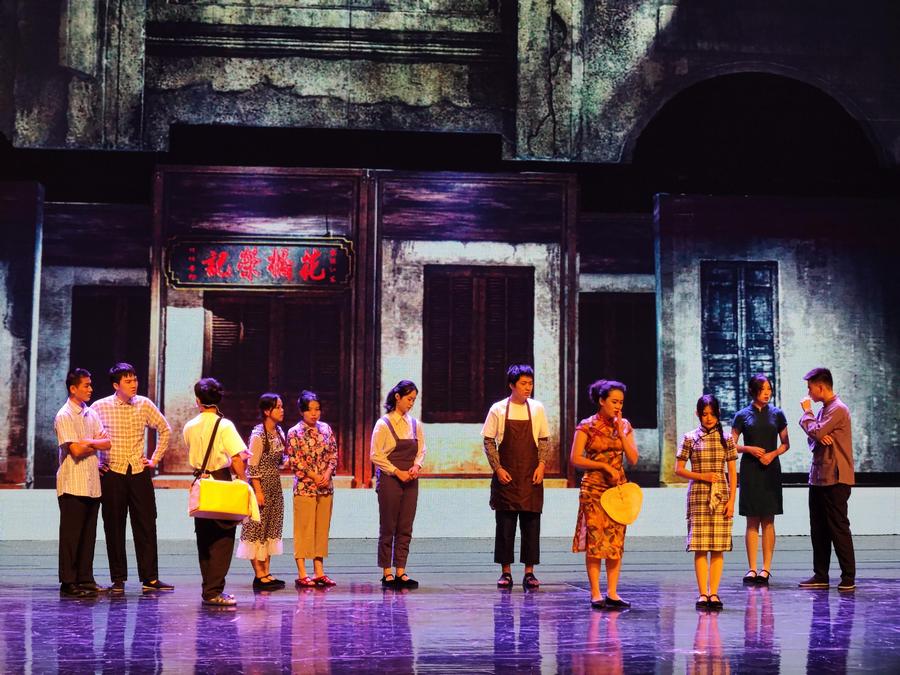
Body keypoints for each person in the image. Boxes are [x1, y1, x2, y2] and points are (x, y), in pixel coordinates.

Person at [91, 362, 174, 593]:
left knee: (146, 524)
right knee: (114, 526)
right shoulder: (100, 407)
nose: (133, 384)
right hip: (113, 473)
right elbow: (86, 436)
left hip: (138, 472)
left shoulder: (144, 404)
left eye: (135, 379)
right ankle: (118, 579)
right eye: (128, 381)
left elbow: (165, 429)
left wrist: (155, 459)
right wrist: (95, 463)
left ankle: (150, 578)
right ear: (116, 385)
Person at [570, 379, 639, 609]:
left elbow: (633, 458)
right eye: (614, 402)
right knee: (595, 541)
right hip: (593, 490)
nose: (618, 406)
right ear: (602, 401)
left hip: (617, 491)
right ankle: (596, 593)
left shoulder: (625, 425)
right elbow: (575, 458)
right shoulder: (587, 426)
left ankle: (613, 592)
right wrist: (602, 466)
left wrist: (620, 432)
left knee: (615, 542)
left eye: (621, 402)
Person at [482, 364, 551, 590]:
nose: (528, 387)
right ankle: (506, 572)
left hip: (531, 476)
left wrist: (541, 465)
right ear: (512, 385)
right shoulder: (498, 409)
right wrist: (498, 468)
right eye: (523, 384)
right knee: (505, 526)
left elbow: (544, 440)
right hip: (507, 476)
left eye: (530, 383)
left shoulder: (537, 408)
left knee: (531, 525)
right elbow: (489, 441)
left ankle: (529, 573)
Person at [183, 377, 249, 606]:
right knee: (223, 537)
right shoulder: (225, 425)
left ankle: (208, 589)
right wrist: (244, 482)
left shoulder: (189, 426)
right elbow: (237, 458)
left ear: (198, 400)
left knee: (204, 537)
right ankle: (214, 591)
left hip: (200, 481)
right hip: (220, 480)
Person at [675, 394, 738, 611]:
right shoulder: (690, 438)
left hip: (721, 496)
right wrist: (702, 476)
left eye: (712, 414)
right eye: (704, 414)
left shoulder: (727, 439)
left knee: (718, 547)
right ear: (698, 414)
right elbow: (678, 469)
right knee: (700, 547)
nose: (708, 418)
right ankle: (703, 593)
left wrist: (732, 501)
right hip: (699, 496)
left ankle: (714, 592)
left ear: (718, 413)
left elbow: (732, 473)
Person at [797, 367, 856, 591]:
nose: (808, 393)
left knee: (838, 528)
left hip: (835, 478)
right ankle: (820, 575)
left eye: (810, 388)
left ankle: (848, 576)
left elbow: (816, 432)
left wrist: (807, 414)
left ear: (821, 387)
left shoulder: (838, 409)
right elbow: (814, 439)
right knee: (818, 528)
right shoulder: (824, 411)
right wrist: (817, 434)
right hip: (818, 477)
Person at [54, 368, 111, 598]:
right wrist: (93, 442)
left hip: (92, 484)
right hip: (72, 484)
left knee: (88, 535)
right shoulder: (64, 415)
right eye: (86, 385)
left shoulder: (91, 413)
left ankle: (86, 579)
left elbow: (107, 443)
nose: (90, 389)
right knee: (71, 536)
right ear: (73, 388)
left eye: (90, 384)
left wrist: (87, 441)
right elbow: (75, 451)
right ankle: (68, 582)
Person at [731, 373, 790, 585]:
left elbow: (785, 444)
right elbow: (731, 445)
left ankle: (766, 569)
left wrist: (772, 454)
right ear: (753, 391)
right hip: (750, 469)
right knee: (751, 519)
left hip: (770, 469)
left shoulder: (777, 414)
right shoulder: (741, 415)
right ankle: (752, 568)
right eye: (763, 389)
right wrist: (749, 449)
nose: (767, 393)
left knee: (768, 520)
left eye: (769, 389)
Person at [371, 380, 426, 589]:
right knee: (388, 526)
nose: (411, 403)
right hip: (390, 480)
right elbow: (376, 455)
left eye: (414, 400)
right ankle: (387, 572)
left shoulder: (415, 424)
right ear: (397, 397)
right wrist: (396, 471)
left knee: (405, 526)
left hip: (410, 480)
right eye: (409, 399)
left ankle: (401, 570)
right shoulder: (383, 424)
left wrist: (416, 466)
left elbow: (421, 450)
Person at [286, 390, 339, 588]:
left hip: (325, 487)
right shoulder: (294, 432)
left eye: (317, 409)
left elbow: (333, 454)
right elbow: (295, 461)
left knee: (321, 529)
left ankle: (319, 571)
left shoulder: (326, 429)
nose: (314, 413)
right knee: (304, 529)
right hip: (305, 487)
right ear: (302, 411)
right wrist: (315, 476)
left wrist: (327, 474)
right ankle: (302, 572)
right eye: (310, 410)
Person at [237, 393, 286, 591]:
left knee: (270, 529)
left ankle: (266, 572)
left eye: (282, 406)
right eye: (278, 407)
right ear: (267, 411)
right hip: (261, 486)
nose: (282, 410)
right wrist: (258, 492)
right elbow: (252, 466)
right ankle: (259, 575)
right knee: (257, 529)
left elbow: (280, 459)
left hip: (275, 486)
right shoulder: (258, 435)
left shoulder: (278, 432)